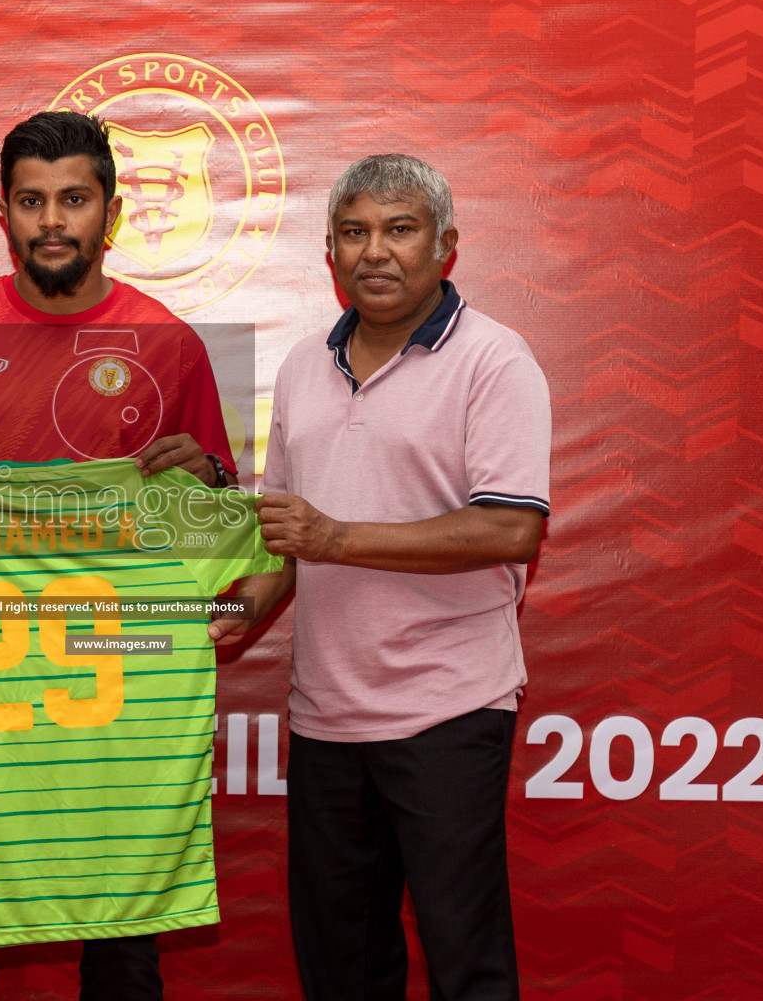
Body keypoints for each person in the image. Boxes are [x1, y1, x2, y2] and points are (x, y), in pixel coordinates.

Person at [0, 110, 238, 1001]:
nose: (53, 221)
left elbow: (216, 517)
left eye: (74, 199)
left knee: (122, 949)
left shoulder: (168, 340)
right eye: (32, 201)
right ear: (4, 212)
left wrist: (211, 480)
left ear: (110, 213)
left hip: (115, 698)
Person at [210, 153, 551, 1000]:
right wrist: (239, 609)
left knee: (465, 963)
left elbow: (512, 526)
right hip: (326, 718)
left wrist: (334, 537)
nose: (376, 252)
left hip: (447, 710)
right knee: (343, 970)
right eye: (355, 233)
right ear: (328, 252)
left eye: (400, 230)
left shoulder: (495, 361)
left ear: (446, 247)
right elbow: (288, 540)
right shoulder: (300, 368)